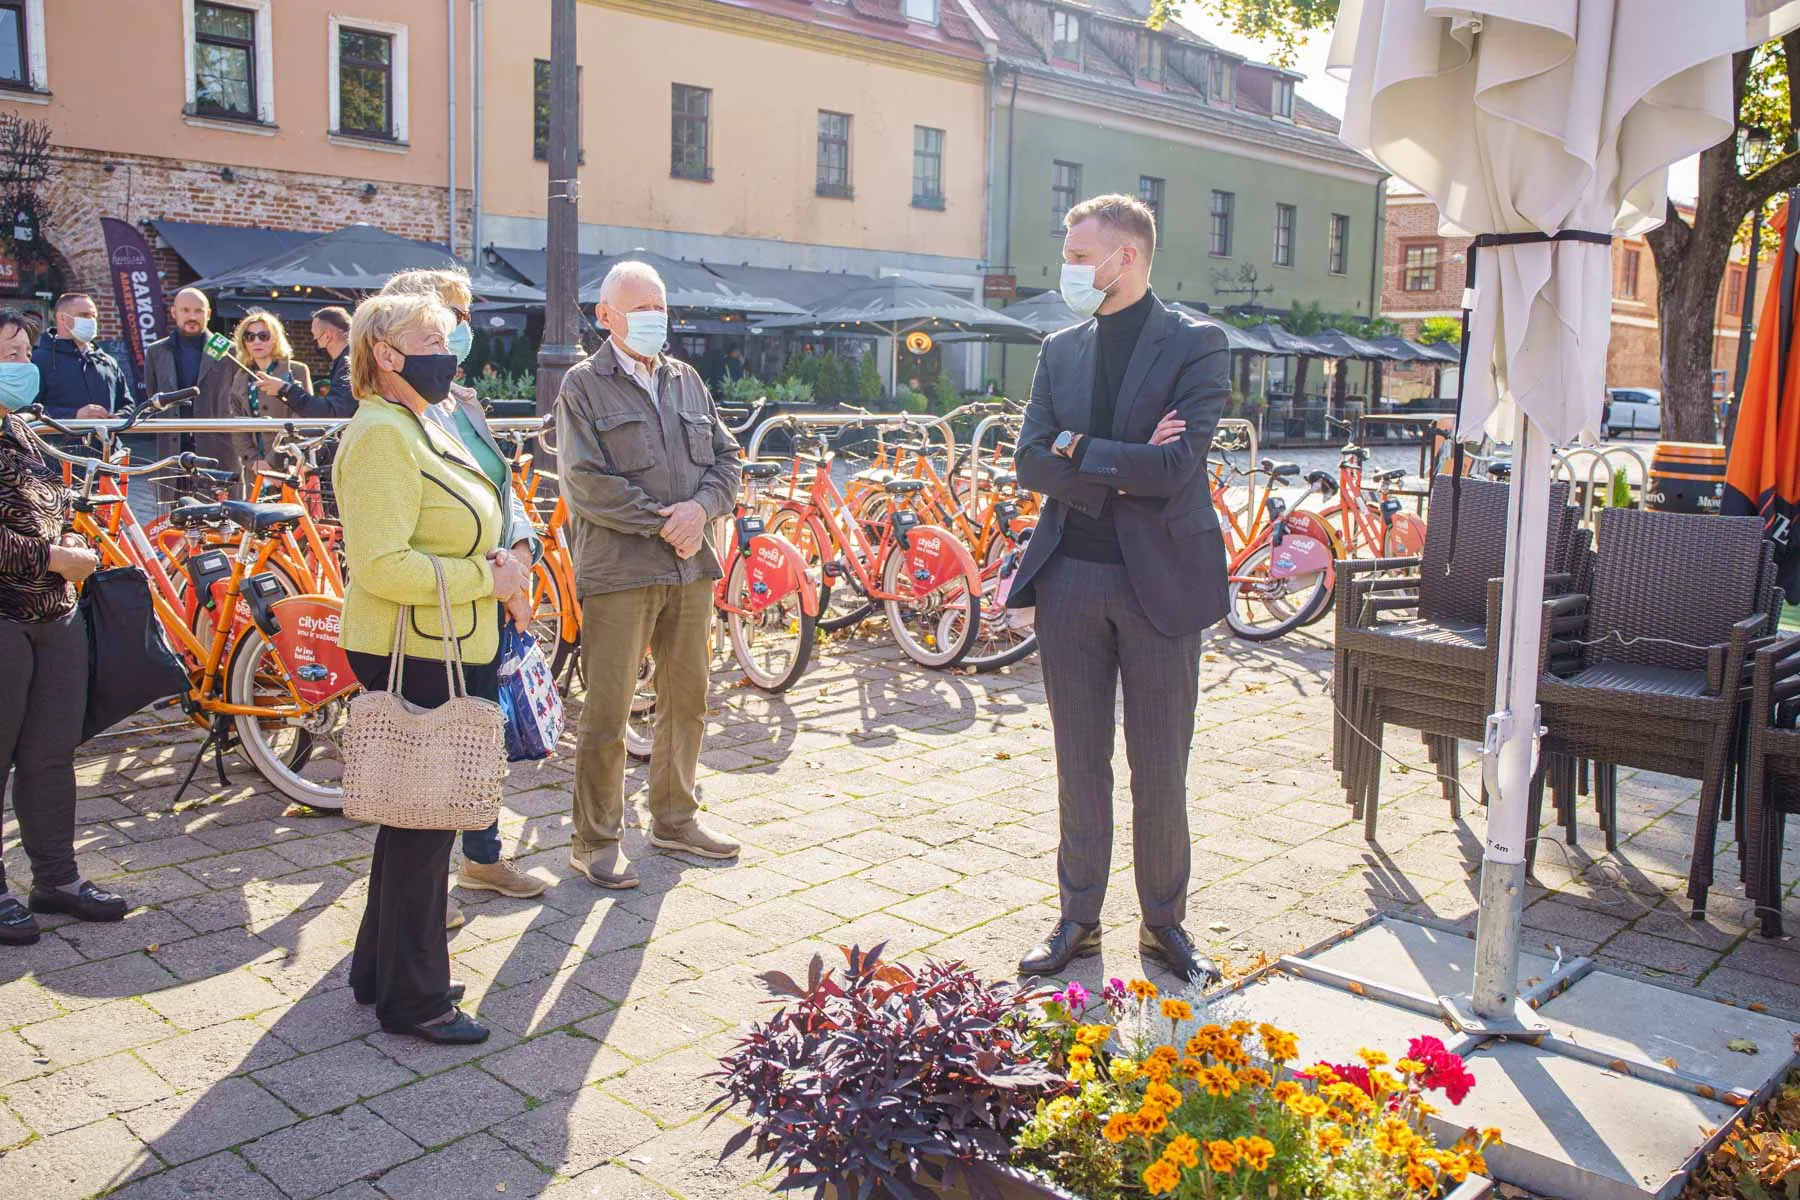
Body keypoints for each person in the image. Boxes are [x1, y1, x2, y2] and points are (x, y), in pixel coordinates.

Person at [1005, 194, 1231, 984]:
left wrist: (1080, 453)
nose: (1066, 270)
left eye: (1077, 257)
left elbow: (1176, 468)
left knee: (1160, 764)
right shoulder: (1060, 349)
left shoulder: (1197, 343)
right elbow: (1031, 458)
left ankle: (1163, 926)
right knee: (1079, 761)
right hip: (1069, 577)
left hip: (1161, 585)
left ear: (1124, 257)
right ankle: (1078, 921)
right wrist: (1110, 457)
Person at [332, 291, 528, 1044]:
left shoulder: (420, 420)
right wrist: (490, 577)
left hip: (445, 640)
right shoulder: (383, 431)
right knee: (427, 816)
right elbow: (382, 565)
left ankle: (379, 970)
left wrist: (498, 565)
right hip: (416, 644)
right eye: (434, 338)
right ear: (385, 353)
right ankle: (415, 1000)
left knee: (413, 815)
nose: (449, 350)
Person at [556, 261, 743, 889]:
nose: (652, 319)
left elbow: (727, 459)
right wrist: (665, 520)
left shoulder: (686, 379)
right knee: (607, 711)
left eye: (659, 307)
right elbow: (584, 484)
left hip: (690, 567)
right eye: (639, 309)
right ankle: (595, 838)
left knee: (688, 698)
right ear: (605, 315)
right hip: (621, 570)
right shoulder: (583, 386)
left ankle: (674, 818)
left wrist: (703, 509)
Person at [379, 267, 546, 909]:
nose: (462, 329)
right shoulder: (401, 412)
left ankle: (482, 859)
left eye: (465, 315)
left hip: (492, 591)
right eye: (450, 314)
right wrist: (499, 581)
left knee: (478, 737)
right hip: (441, 603)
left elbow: (497, 488)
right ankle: (428, 896)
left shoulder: (462, 400)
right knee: (438, 746)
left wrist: (521, 559)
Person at [0, 308, 129, 945]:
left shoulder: (20, 429)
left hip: (55, 612)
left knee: (50, 754)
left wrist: (72, 533)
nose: (18, 365)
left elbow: (55, 501)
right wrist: (50, 557)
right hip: (5, 614)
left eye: (22, 352)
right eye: (5, 353)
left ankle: (56, 878)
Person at [143, 288, 249, 482]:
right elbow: (153, 398)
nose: (192, 316)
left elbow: (240, 399)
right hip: (173, 450)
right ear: (174, 312)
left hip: (218, 449)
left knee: (222, 509)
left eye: (198, 311)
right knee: (175, 510)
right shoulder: (156, 352)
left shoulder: (230, 351)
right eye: (185, 310)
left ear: (208, 314)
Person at [232, 311, 313, 472]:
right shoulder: (240, 376)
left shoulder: (296, 370)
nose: (256, 341)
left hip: (290, 464)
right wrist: (253, 461)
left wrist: (273, 461)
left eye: (263, 336)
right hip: (256, 468)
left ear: (275, 338)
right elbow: (237, 424)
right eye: (250, 336)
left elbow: (304, 416)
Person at [33, 293, 131, 420]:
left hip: (106, 439)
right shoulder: (39, 360)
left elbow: (128, 405)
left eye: (93, 316)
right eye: (84, 315)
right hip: (56, 440)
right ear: (62, 318)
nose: (91, 321)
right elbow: (26, 410)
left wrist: (117, 418)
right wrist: (74, 415)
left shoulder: (107, 361)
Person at [303, 306, 356, 419]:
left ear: (327, 336)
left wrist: (288, 391)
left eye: (315, 337)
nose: (316, 344)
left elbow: (334, 411)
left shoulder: (349, 364)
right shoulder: (352, 358)